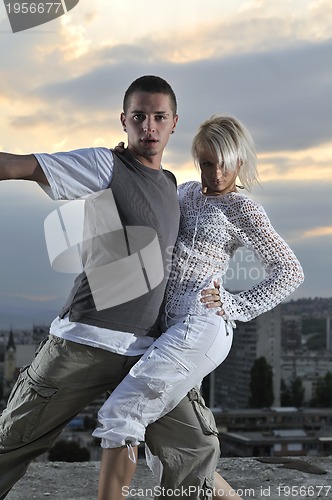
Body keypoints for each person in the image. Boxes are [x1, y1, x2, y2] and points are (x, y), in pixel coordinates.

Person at [0, 75, 224, 500]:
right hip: (82, 343)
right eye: (139, 117)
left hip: (147, 354)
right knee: (12, 443)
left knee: (194, 450)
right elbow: (20, 165)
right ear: (124, 120)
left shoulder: (173, 185)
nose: (149, 127)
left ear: (174, 122)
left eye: (159, 117)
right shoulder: (105, 165)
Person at [92, 114, 305, 500]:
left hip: (201, 326)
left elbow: (290, 271)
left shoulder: (243, 209)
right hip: (169, 327)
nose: (217, 173)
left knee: (120, 413)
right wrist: (125, 166)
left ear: (239, 161)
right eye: (208, 162)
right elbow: (148, 212)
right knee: (169, 443)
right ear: (197, 160)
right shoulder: (186, 192)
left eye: (225, 162)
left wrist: (235, 303)